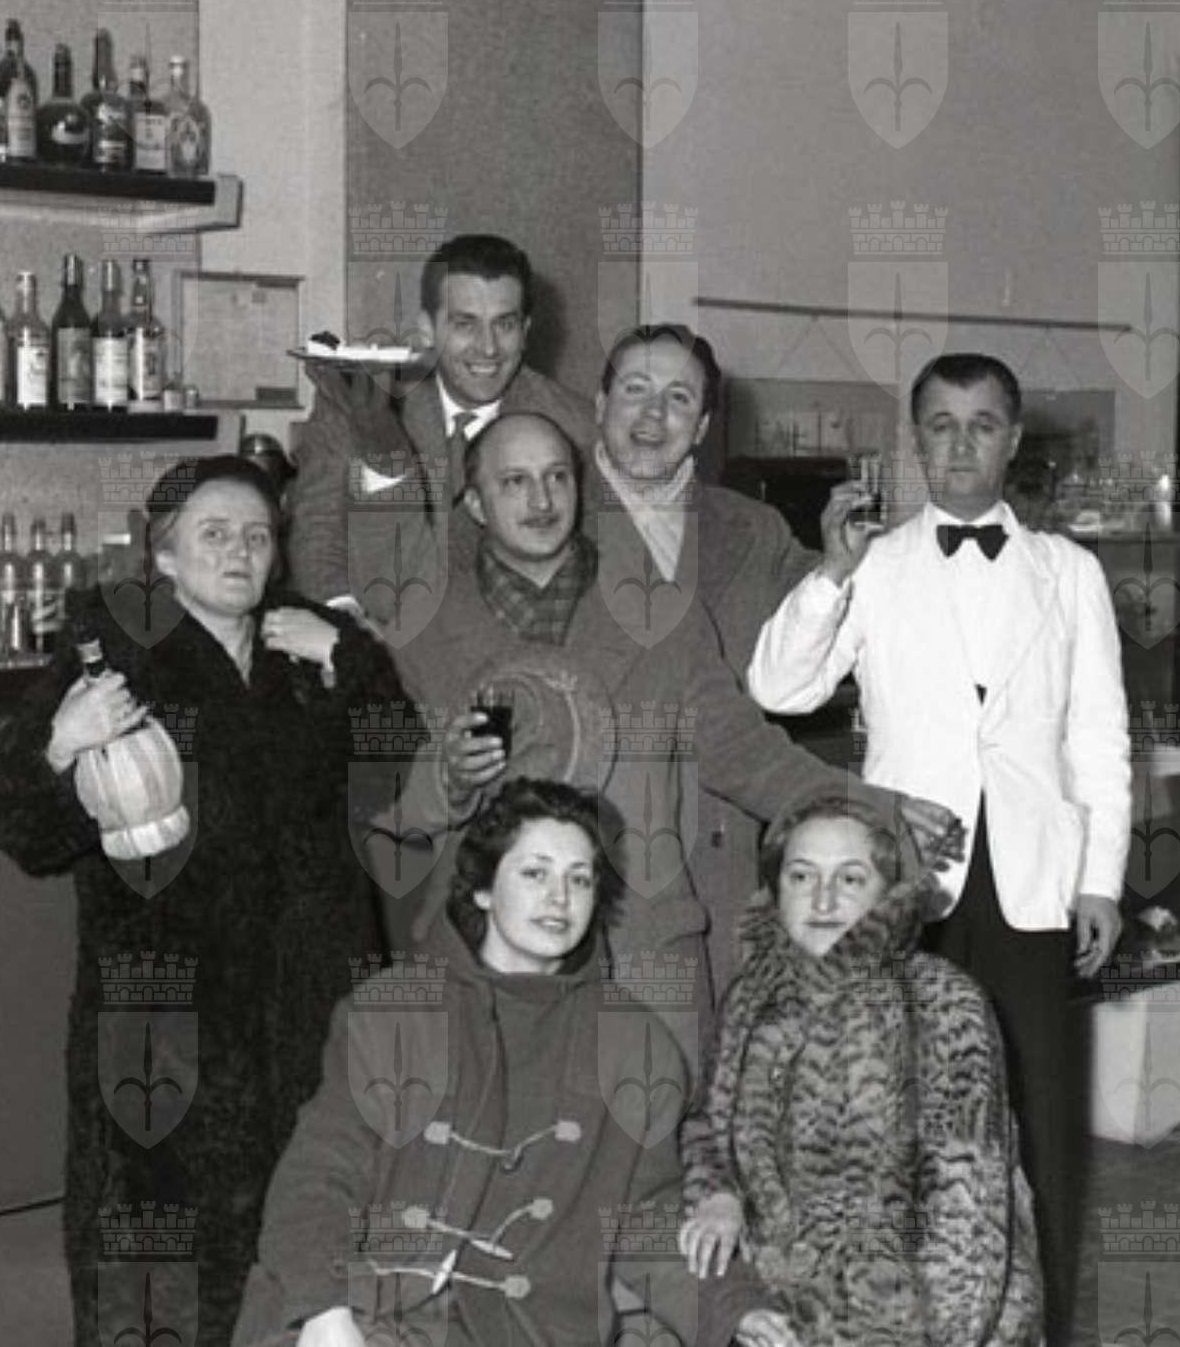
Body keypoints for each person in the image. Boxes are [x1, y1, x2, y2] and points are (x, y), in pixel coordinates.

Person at [214, 780, 833, 1347]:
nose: (558, 898)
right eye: (534, 873)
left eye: (579, 879)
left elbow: (651, 1218)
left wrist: (738, 1312)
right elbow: (316, 1173)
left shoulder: (630, 1042)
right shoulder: (395, 1008)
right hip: (361, 1288)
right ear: (479, 887)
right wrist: (320, 1308)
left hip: (520, 1327)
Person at [0, 455, 409, 1347]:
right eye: (213, 533)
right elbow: (18, 826)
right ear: (163, 553)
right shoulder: (109, 663)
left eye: (257, 534)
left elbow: (392, 764)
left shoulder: (304, 648)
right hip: (175, 1000)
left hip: (312, 984)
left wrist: (350, 657)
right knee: (200, 1221)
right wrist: (59, 744)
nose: (240, 552)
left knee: (318, 1188)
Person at [747, 353, 1131, 1347]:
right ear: (915, 441)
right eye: (941, 425)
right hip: (908, 881)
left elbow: (1099, 738)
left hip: (1031, 881)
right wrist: (830, 571)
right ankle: (897, 1341)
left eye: (982, 424)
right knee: (899, 1112)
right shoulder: (873, 564)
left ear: (1014, 440)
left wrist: (1098, 878)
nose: (960, 444)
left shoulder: (1068, 573)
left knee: (1035, 1116)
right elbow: (778, 684)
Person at [605, 793, 1064, 1347]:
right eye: (801, 876)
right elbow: (706, 1123)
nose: (821, 899)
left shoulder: (941, 1007)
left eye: (849, 878)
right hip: (788, 1322)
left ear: (889, 892)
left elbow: (965, 1240)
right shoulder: (755, 996)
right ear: (774, 888)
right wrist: (717, 1190)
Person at [387, 409, 963, 1055]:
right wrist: (447, 776)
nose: (542, 500)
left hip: (643, 950)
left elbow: (743, 753)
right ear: (473, 503)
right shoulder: (419, 634)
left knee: (663, 1119)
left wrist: (867, 806)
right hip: (492, 955)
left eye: (556, 477)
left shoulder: (661, 615)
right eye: (514, 482)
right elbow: (387, 809)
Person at [587, 321, 821, 1002]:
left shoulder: (755, 531)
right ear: (599, 405)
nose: (653, 415)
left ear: (703, 427)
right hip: (594, 871)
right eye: (635, 390)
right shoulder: (544, 517)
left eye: (679, 398)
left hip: (722, 870)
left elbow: (842, 619)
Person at [286, 233, 595, 629]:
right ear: (427, 329)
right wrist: (348, 624)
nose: (488, 348)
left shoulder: (574, 425)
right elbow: (317, 530)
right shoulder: (355, 401)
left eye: (505, 324)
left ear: (526, 329)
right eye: (465, 324)